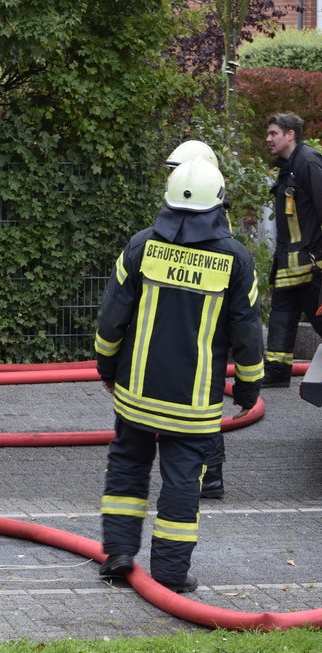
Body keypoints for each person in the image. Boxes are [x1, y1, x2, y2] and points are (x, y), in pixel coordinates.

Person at [94, 157, 263, 593]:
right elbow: (247, 333)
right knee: (184, 481)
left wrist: (107, 367)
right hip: (193, 404)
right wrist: (248, 387)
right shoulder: (236, 259)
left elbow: (112, 318)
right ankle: (168, 573)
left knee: (127, 469)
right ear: (220, 203)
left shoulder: (141, 246)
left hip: (136, 392)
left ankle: (118, 555)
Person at [165, 140, 227, 499]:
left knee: (204, 404)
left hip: (203, 330)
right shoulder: (209, 208)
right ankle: (207, 473)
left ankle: (211, 474)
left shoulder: (207, 219)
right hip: (200, 327)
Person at [262, 112, 322, 388]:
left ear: (290, 135)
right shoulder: (288, 167)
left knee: (317, 316)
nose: (268, 138)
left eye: (274, 133)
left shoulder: (308, 162)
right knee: (281, 314)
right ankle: (276, 373)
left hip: (310, 264)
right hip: (289, 262)